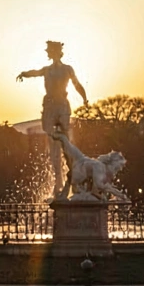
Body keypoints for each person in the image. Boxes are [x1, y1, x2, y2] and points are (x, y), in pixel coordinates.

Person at [17, 41, 88, 199]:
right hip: (49, 106)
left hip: (62, 106)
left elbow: (77, 84)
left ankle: (72, 180)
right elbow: (34, 73)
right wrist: (24, 74)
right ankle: (59, 181)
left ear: (56, 52)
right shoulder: (47, 70)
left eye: (50, 51)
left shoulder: (67, 69)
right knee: (53, 148)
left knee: (66, 144)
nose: (48, 53)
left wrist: (85, 98)